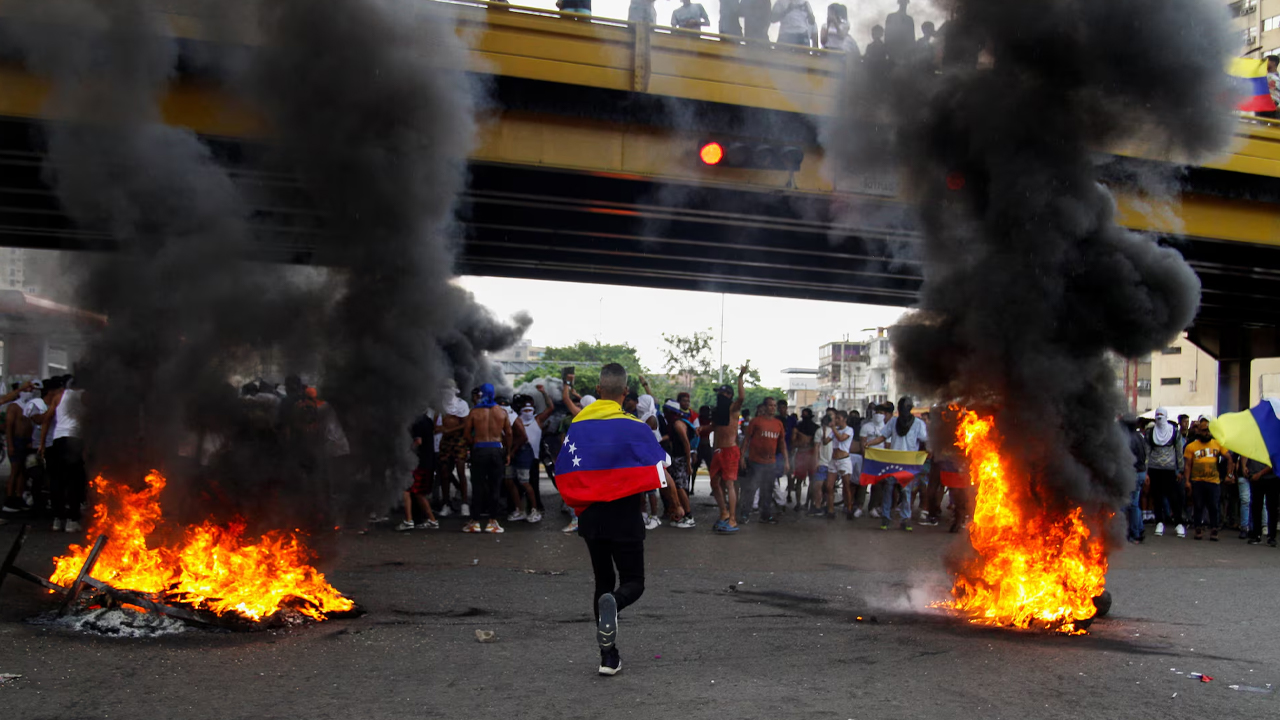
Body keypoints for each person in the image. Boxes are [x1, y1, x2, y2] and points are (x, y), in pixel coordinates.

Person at [554, 363, 667, 677]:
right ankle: (615, 604)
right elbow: (659, 470)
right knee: (634, 582)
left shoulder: (578, 425)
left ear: (600, 391)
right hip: (626, 516)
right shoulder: (636, 428)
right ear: (625, 393)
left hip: (592, 518)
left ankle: (608, 656)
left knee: (602, 581)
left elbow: (563, 468)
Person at [869, 396, 927, 531]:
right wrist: (870, 443)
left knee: (906, 492)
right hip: (893, 461)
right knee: (889, 489)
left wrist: (927, 452)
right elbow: (883, 437)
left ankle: (905, 520)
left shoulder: (918, 424)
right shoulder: (893, 422)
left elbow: (924, 440)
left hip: (908, 462)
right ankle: (886, 518)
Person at [462, 383, 511, 534]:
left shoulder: (474, 412)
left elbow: (466, 434)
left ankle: (475, 522)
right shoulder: (502, 412)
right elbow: (508, 433)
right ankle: (492, 522)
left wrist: (475, 444)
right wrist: (507, 453)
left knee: (477, 487)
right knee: (495, 487)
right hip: (496, 450)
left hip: (479, 450)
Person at [40, 376, 86, 533]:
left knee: (57, 481)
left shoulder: (59, 397)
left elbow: (46, 420)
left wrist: (41, 444)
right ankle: (72, 520)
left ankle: (57, 519)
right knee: (74, 481)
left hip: (58, 441)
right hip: (74, 441)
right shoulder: (85, 396)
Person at [709, 367, 748, 533]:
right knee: (714, 482)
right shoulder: (719, 413)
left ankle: (732, 519)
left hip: (730, 451)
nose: (720, 396)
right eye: (719, 393)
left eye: (723, 393)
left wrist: (740, 376)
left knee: (730, 484)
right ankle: (724, 513)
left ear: (729, 395)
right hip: (719, 451)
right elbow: (715, 429)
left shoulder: (733, 408)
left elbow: (742, 397)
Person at [740, 396, 789, 525]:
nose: (772, 408)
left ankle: (765, 515)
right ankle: (745, 514)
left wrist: (786, 461)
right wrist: (741, 457)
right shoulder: (755, 422)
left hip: (770, 462)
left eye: (774, 406)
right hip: (755, 461)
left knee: (767, 490)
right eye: (770, 405)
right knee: (751, 488)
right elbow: (746, 440)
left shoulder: (778, 424)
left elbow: (782, 443)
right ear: (764, 407)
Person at [506, 395, 551, 524]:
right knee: (513, 483)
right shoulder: (516, 420)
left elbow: (550, 408)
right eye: (524, 409)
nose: (527, 412)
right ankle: (519, 510)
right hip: (516, 457)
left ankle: (534, 510)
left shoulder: (536, 420)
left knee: (529, 484)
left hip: (530, 457)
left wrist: (543, 392)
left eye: (530, 409)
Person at [1183, 417, 1226, 541]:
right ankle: (1198, 528)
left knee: (1214, 506)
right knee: (1198, 505)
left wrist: (1228, 475)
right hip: (1198, 481)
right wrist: (1187, 481)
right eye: (1203, 430)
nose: (1206, 433)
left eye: (1208, 430)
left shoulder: (1217, 444)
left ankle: (1214, 529)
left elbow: (1228, 458)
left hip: (1214, 481)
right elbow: (1187, 465)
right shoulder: (1191, 446)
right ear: (1199, 431)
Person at [1146, 408, 1186, 538]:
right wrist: (1146, 471)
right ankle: (1159, 522)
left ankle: (1178, 523)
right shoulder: (1150, 432)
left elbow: (1179, 452)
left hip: (1170, 470)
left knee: (1174, 497)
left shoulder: (1174, 432)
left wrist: (1180, 469)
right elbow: (1147, 452)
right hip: (1154, 469)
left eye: (1162, 416)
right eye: (1157, 416)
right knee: (1157, 497)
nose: (1159, 418)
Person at [401, 409, 441, 531]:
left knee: (407, 490)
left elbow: (418, 441)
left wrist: (407, 451)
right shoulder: (428, 420)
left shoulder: (417, 422)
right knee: (418, 493)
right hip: (427, 460)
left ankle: (409, 521)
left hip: (420, 462)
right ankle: (431, 520)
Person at [4, 382, 38, 513]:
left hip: (26, 442)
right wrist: (10, 444)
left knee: (23, 473)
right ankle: (9, 499)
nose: (29, 391)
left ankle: (18, 498)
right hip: (16, 441)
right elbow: (9, 427)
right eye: (27, 389)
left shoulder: (30, 406)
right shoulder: (14, 407)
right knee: (15, 471)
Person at [662, 400, 697, 527]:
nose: (664, 414)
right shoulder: (673, 424)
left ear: (671, 413)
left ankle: (688, 516)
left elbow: (686, 443)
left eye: (666, 411)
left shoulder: (678, 424)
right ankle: (682, 515)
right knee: (677, 486)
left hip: (681, 459)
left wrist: (688, 463)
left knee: (680, 487)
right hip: (677, 459)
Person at [438, 391, 471, 517]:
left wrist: (449, 430)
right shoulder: (440, 403)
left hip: (459, 440)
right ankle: (446, 504)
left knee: (461, 471)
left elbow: (465, 424)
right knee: (444, 472)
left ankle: (465, 504)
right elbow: (438, 419)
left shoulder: (462, 404)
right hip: (445, 441)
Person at [1123, 415, 1147, 544]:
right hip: (1141, 472)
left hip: (1133, 473)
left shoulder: (1128, 439)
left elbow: (1127, 457)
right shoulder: (1140, 437)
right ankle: (1139, 530)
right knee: (1135, 504)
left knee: (1129, 505)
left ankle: (1134, 534)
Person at [1244, 456, 1278, 546]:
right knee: (1256, 507)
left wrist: (1259, 474)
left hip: (1271, 479)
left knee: (1272, 508)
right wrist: (1244, 467)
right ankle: (1256, 534)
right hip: (1256, 478)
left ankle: (1272, 536)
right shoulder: (1254, 443)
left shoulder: (1272, 445)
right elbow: (1246, 454)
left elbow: (1274, 463)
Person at [827, 410, 854, 518]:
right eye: (836, 418)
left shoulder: (849, 430)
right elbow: (825, 441)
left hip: (844, 460)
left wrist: (833, 428)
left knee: (846, 486)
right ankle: (830, 509)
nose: (836, 420)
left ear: (844, 419)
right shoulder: (835, 430)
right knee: (829, 486)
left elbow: (841, 439)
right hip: (834, 460)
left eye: (838, 418)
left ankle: (849, 508)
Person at [791, 408, 817, 509]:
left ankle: (799, 503)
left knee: (800, 481)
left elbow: (793, 443)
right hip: (810, 454)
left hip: (802, 454)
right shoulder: (815, 428)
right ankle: (808, 503)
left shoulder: (797, 428)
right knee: (811, 480)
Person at [883, 0, 914, 65]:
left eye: (905, 2)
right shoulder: (891, 17)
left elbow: (912, 38)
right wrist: (888, 51)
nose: (903, 4)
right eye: (902, 2)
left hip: (906, 54)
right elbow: (887, 35)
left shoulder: (909, 19)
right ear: (899, 2)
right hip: (893, 53)